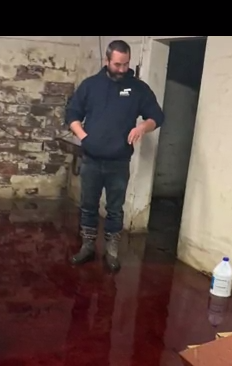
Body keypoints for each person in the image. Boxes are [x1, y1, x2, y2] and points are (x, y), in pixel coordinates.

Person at [65, 40, 165, 272]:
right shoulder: (90, 86)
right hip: (91, 158)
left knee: (115, 208)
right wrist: (84, 137)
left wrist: (142, 128)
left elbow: (157, 116)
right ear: (107, 61)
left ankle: (111, 251)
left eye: (126, 64)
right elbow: (72, 113)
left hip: (119, 161)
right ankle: (88, 245)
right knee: (88, 205)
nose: (122, 69)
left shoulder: (138, 88)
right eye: (117, 64)